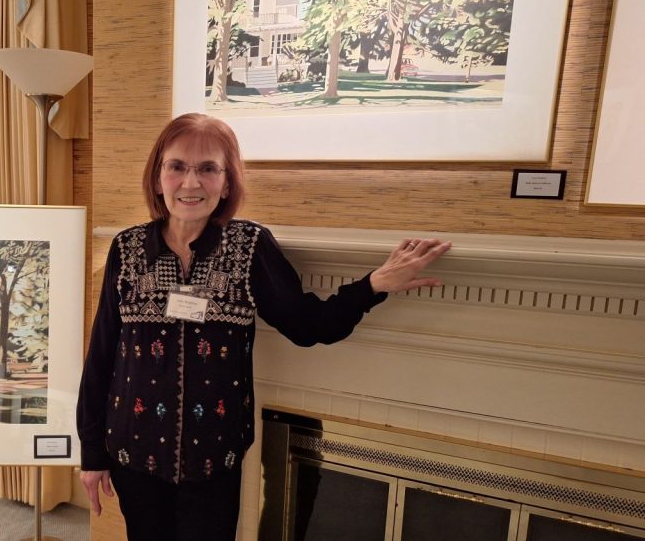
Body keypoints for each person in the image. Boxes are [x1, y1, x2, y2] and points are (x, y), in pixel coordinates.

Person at [76, 113, 451, 540]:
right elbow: (102, 354)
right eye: (177, 166)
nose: (191, 183)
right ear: (158, 175)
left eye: (207, 168)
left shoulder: (249, 246)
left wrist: (374, 285)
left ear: (227, 181)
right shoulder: (127, 249)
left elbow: (309, 325)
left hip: (214, 457)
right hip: (133, 450)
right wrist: (92, 453)